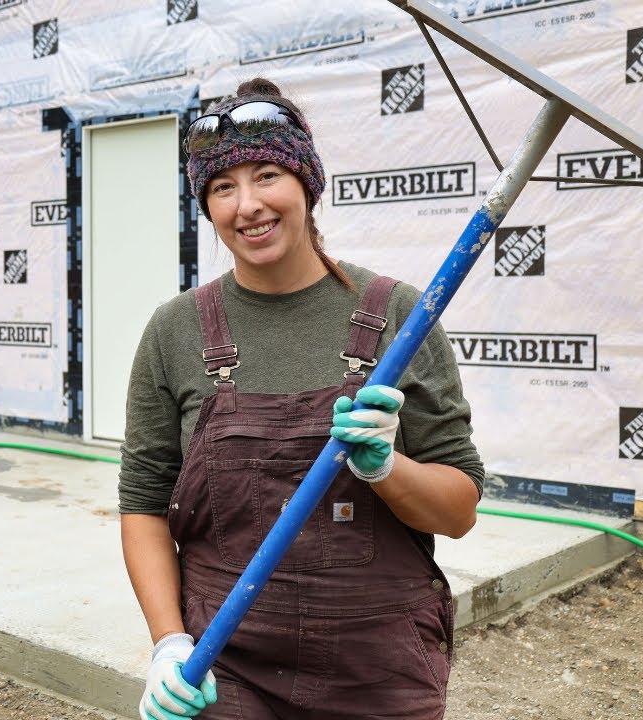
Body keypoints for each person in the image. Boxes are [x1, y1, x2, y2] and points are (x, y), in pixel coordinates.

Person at [119, 78, 484, 720]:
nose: (247, 205)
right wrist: (170, 643)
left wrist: (385, 468)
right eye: (222, 187)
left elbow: (457, 513)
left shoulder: (403, 313)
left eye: (266, 176)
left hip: (380, 663)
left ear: (307, 185)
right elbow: (144, 504)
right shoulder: (174, 330)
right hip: (225, 661)